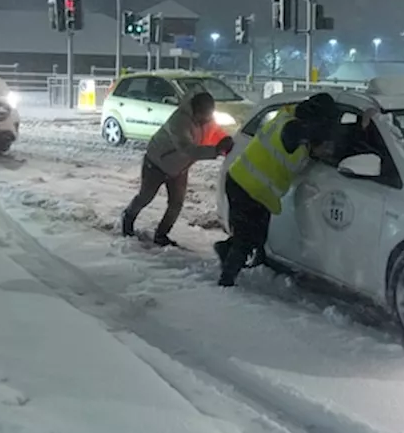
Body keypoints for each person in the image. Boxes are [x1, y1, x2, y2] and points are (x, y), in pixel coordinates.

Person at [215, 92, 340, 287]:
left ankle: (225, 250)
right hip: (248, 187)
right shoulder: (294, 130)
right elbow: (305, 139)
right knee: (247, 238)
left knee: (256, 235)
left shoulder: (287, 116)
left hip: (248, 184)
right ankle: (226, 281)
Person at [122, 91, 234, 246]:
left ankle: (161, 235)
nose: (207, 119)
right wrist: (216, 150)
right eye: (204, 115)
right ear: (196, 109)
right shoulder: (179, 121)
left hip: (179, 168)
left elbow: (215, 132)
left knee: (176, 203)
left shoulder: (206, 119)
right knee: (145, 197)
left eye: (209, 115)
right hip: (156, 163)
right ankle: (128, 218)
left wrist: (226, 141)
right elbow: (187, 149)